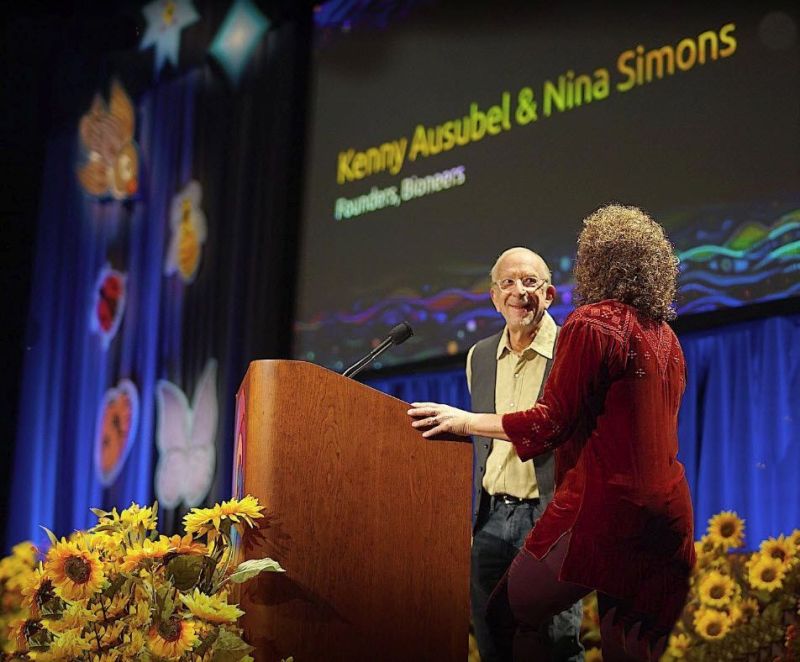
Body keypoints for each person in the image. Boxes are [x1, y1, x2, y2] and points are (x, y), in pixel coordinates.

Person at [410, 204, 695, 661]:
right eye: (507, 282)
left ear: (592, 262)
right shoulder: (666, 336)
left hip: (601, 516)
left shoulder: (588, 324)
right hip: (667, 523)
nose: (519, 292)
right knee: (628, 652)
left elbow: (549, 422)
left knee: (505, 617)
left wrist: (463, 421)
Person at [466, 247, 583, 661]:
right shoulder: (479, 356)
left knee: (557, 644)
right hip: (490, 519)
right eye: (508, 283)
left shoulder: (574, 349)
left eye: (530, 282)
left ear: (549, 294)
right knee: (492, 641)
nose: (519, 291)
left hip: (548, 518)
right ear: (495, 297)